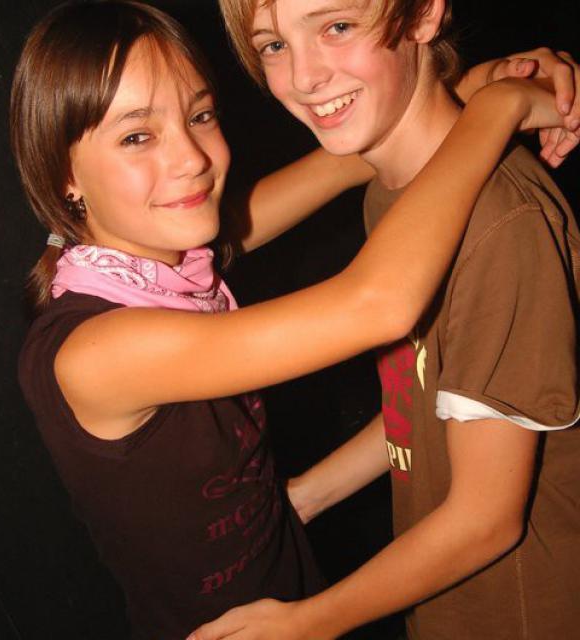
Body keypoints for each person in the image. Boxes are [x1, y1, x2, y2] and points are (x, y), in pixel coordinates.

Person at [12, 2, 574, 639]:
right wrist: (501, 107)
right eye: (137, 136)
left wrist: (472, 83)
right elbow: (379, 303)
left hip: (287, 591)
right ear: (65, 174)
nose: (192, 159)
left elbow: (353, 153)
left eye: (199, 116)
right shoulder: (100, 349)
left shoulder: (162, 261)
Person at [188, 1, 580, 639]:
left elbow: (487, 518)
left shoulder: (501, 221)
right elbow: (427, 400)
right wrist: (307, 495)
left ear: (424, 15)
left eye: (337, 27)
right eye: (274, 46)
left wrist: (309, 623)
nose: (304, 77)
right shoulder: (396, 194)